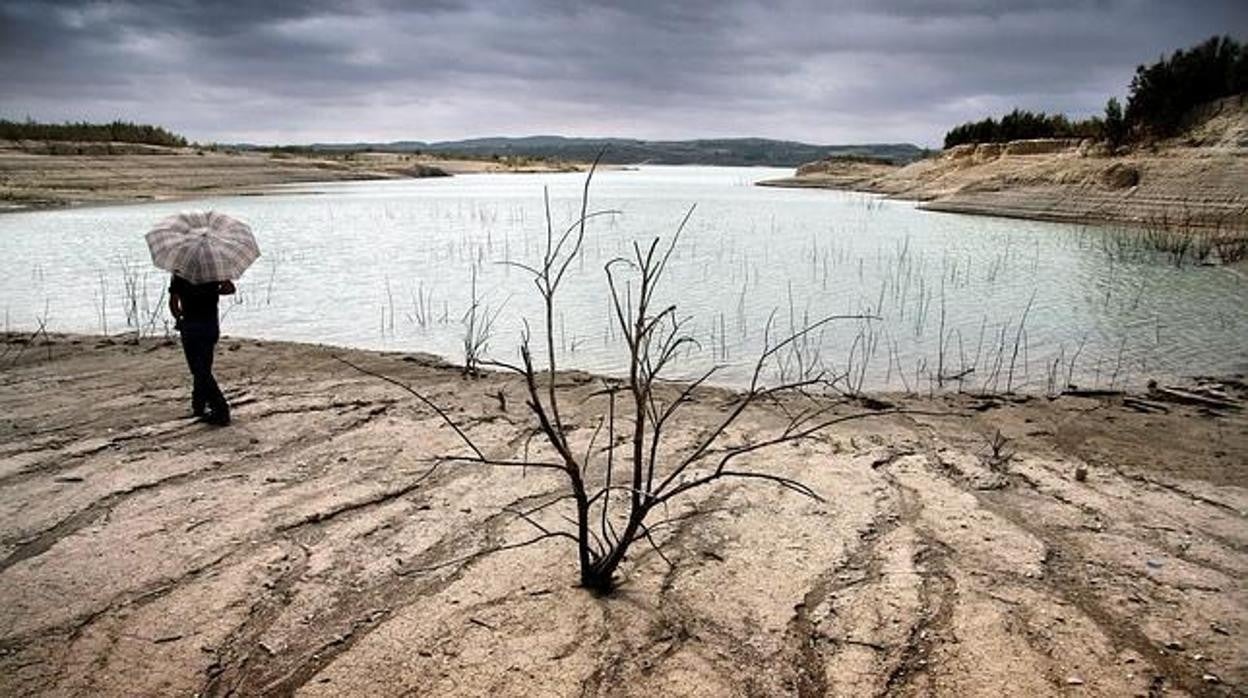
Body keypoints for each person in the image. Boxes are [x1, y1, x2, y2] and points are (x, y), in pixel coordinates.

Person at [169, 275, 236, 425]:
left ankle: (220, 408)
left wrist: (179, 317)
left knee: (199, 369)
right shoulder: (213, 272)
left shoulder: (180, 274)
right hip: (210, 325)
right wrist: (213, 291)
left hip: (191, 327)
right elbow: (230, 289)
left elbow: (174, 303)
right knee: (203, 366)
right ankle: (198, 404)